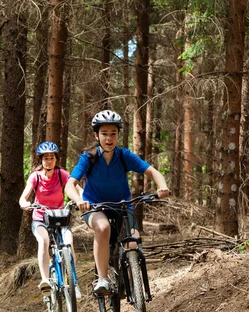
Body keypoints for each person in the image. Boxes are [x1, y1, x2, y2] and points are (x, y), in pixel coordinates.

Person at [64, 110, 170, 294]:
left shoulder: (123, 155)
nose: (109, 138)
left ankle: (132, 284)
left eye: (113, 133)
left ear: (118, 135)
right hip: (94, 206)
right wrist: (79, 200)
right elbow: (69, 185)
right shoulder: (88, 157)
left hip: (122, 206)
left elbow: (153, 172)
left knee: (133, 242)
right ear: (96, 135)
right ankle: (102, 280)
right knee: (103, 228)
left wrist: (162, 187)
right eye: (104, 133)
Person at [19, 142, 80, 297]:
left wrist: (84, 198)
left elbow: (76, 188)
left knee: (69, 243)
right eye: (45, 158)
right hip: (40, 218)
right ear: (41, 160)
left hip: (60, 217)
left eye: (51, 158)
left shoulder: (62, 174)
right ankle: (45, 280)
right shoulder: (35, 177)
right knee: (44, 241)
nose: (48, 161)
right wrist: (25, 203)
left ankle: (73, 282)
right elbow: (24, 196)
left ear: (56, 159)